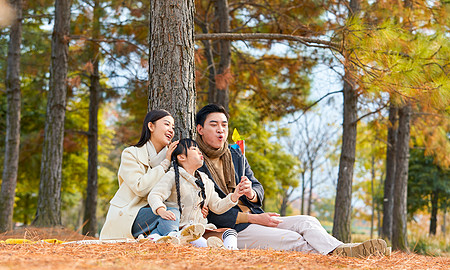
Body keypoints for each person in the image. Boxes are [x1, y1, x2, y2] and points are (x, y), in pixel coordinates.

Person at [195, 104, 388, 257]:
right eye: (214, 125)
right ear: (200, 129)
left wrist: (251, 194)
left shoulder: (236, 155)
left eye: (224, 125)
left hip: (257, 217)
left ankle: (345, 250)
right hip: (232, 229)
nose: (221, 130)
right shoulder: (194, 161)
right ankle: (348, 254)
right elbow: (209, 213)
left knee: (307, 221)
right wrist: (254, 218)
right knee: (292, 239)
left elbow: (258, 187)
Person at [99, 110, 202, 243]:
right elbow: (139, 187)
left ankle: (155, 238)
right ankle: (175, 238)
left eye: (173, 127)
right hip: (130, 215)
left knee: (171, 213)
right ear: (151, 126)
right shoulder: (131, 154)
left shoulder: (174, 159)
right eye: (166, 124)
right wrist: (164, 164)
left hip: (157, 214)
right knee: (172, 212)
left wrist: (201, 204)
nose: (171, 130)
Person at [147, 138, 241, 249]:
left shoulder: (206, 181)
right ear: (181, 157)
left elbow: (217, 206)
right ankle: (217, 250)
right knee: (195, 239)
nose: (199, 152)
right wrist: (161, 210)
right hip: (182, 230)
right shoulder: (172, 176)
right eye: (194, 149)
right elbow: (155, 195)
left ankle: (231, 251)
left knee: (230, 233)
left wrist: (235, 196)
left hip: (202, 229)